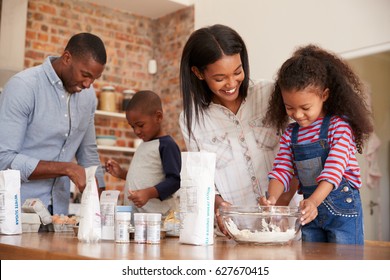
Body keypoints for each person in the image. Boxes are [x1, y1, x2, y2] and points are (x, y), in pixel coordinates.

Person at [179, 24, 298, 236]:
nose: (231, 83)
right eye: (219, 78)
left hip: (286, 228)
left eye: (237, 71)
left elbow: (301, 150)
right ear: (198, 73)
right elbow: (202, 180)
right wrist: (218, 206)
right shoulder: (191, 120)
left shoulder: (270, 94)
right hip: (238, 232)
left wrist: (281, 205)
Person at [259, 44, 374, 244]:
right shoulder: (290, 134)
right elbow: (281, 170)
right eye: (290, 107)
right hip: (309, 211)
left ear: (324, 95)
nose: (298, 115)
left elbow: (334, 170)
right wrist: (272, 200)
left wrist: (313, 201)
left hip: (342, 211)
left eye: (305, 107)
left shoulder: (338, 127)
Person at [0, 33, 107, 215]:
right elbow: (4, 159)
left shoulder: (88, 98)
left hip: (59, 214)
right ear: (67, 58)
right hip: (15, 213)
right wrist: (67, 168)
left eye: (94, 79)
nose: (89, 84)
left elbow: (88, 156)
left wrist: (103, 209)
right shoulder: (23, 87)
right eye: (85, 74)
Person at [105, 90, 181, 216]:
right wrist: (122, 173)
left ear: (158, 117)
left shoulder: (167, 145)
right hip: (139, 219)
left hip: (158, 220)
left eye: (140, 125)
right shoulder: (144, 144)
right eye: (132, 126)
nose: (136, 131)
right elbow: (146, 178)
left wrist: (148, 193)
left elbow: (175, 181)